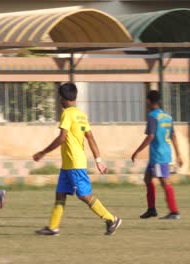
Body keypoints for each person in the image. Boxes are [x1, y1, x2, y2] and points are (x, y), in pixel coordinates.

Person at [33, 82, 121, 236]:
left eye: (59, 97)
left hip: (74, 163)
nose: (59, 100)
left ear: (62, 98)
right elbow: (91, 137)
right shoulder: (81, 115)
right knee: (60, 194)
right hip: (69, 164)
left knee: (84, 195)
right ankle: (53, 227)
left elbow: (62, 137)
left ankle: (111, 219)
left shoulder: (67, 114)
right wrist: (98, 160)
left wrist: (43, 152)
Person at [131, 90, 183, 220]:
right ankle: (151, 209)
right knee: (147, 179)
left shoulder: (152, 116)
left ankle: (174, 211)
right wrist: (178, 154)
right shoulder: (167, 116)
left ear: (148, 101)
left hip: (158, 156)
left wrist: (137, 151)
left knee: (164, 181)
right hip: (161, 154)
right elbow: (173, 135)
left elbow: (151, 136)